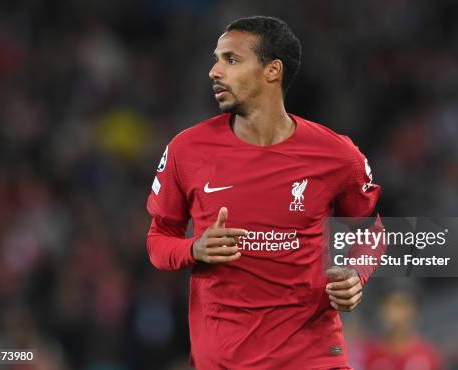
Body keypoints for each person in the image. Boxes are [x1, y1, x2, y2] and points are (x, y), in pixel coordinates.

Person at [145, 15, 381, 370]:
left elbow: (373, 232)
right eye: (216, 59)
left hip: (312, 357)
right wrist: (193, 248)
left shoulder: (337, 155)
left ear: (272, 71)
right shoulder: (186, 150)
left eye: (231, 60)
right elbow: (158, 240)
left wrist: (355, 274)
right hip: (223, 360)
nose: (214, 71)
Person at [364, 292, 443, 370]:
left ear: (413, 311)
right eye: (390, 306)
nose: (397, 314)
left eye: (402, 306)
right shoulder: (369, 355)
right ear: (382, 311)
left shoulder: (427, 355)